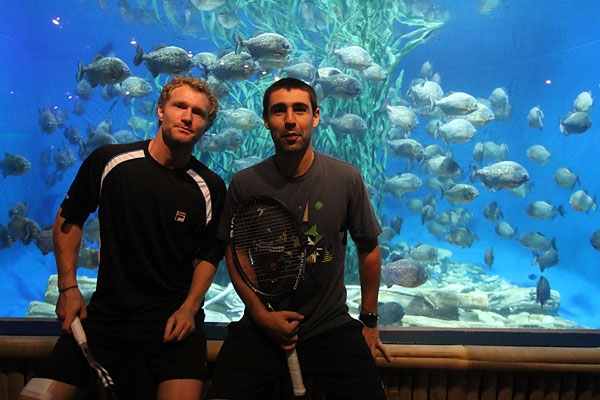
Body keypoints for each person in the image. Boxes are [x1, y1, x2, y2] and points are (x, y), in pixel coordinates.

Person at [19, 76, 226, 400]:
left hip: (174, 324)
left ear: (207, 125)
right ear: (161, 110)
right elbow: (70, 217)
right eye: (180, 106)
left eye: (198, 113)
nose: (187, 117)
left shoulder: (210, 186)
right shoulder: (110, 161)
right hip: (106, 319)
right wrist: (68, 288)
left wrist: (189, 308)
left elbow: (210, 253)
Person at [207, 77, 391, 400]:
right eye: (279, 110)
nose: (290, 120)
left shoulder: (346, 178)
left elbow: (368, 249)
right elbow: (235, 252)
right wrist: (260, 314)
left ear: (315, 117)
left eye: (300, 109)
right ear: (266, 120)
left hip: (331, 326)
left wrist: (370, 321)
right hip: (259, 326)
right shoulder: (244, 183)